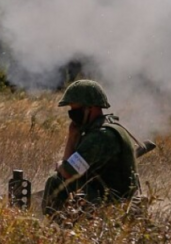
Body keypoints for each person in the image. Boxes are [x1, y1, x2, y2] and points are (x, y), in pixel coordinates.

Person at [41, 79, 140, 216]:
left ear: (91, 108)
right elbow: (70, 169)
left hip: (114, 204)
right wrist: (72, 137)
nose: (72, 114)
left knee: (55, 181)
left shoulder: (101, 136)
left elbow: (68, 172)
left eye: (76, 110)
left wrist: (61, 165)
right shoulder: (103, 128)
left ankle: (58, 230)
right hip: (113, 198)